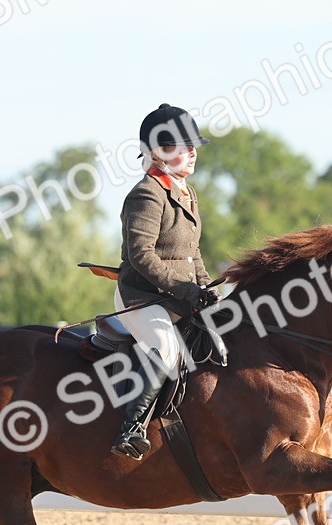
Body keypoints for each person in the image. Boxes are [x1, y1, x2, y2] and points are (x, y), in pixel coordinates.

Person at [111, 103, 219, 460]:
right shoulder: (147, 193)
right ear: (157, 152)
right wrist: (187, 290)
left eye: (192, 146)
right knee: (167, 348)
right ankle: (131, 427)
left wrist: (208, 289)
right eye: (181, 146)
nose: (192, 152)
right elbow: (141, 256)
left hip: (179, 296)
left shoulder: (187, 192)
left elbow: (192, 253)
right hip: (141, 296)